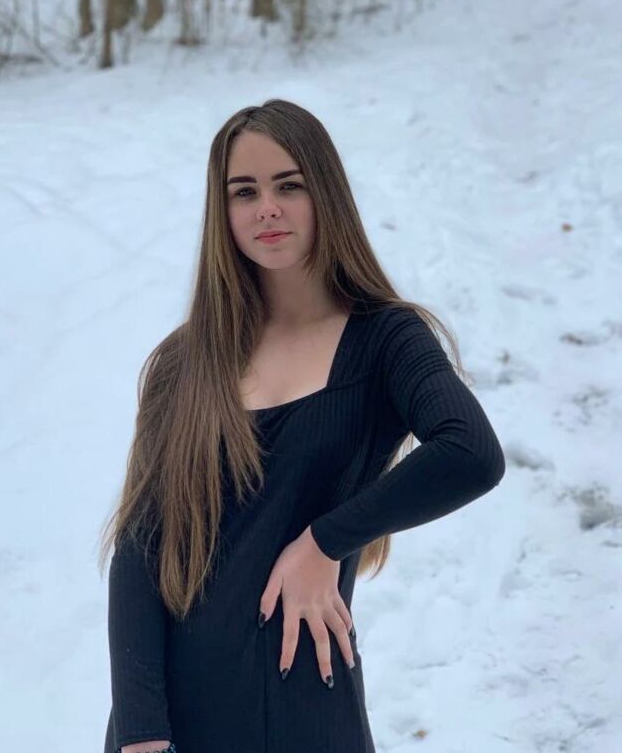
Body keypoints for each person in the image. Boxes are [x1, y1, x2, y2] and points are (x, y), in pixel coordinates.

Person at [99, 98, 506, 753]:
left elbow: (471, 452)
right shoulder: (184, 360)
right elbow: (142, 545)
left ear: (326, 195)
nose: (267, 208)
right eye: (244, 191)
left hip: (307, 705)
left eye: (288, 185)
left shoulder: (386, 340)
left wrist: (324, 541)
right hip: (171, 720)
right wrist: (142, 732)